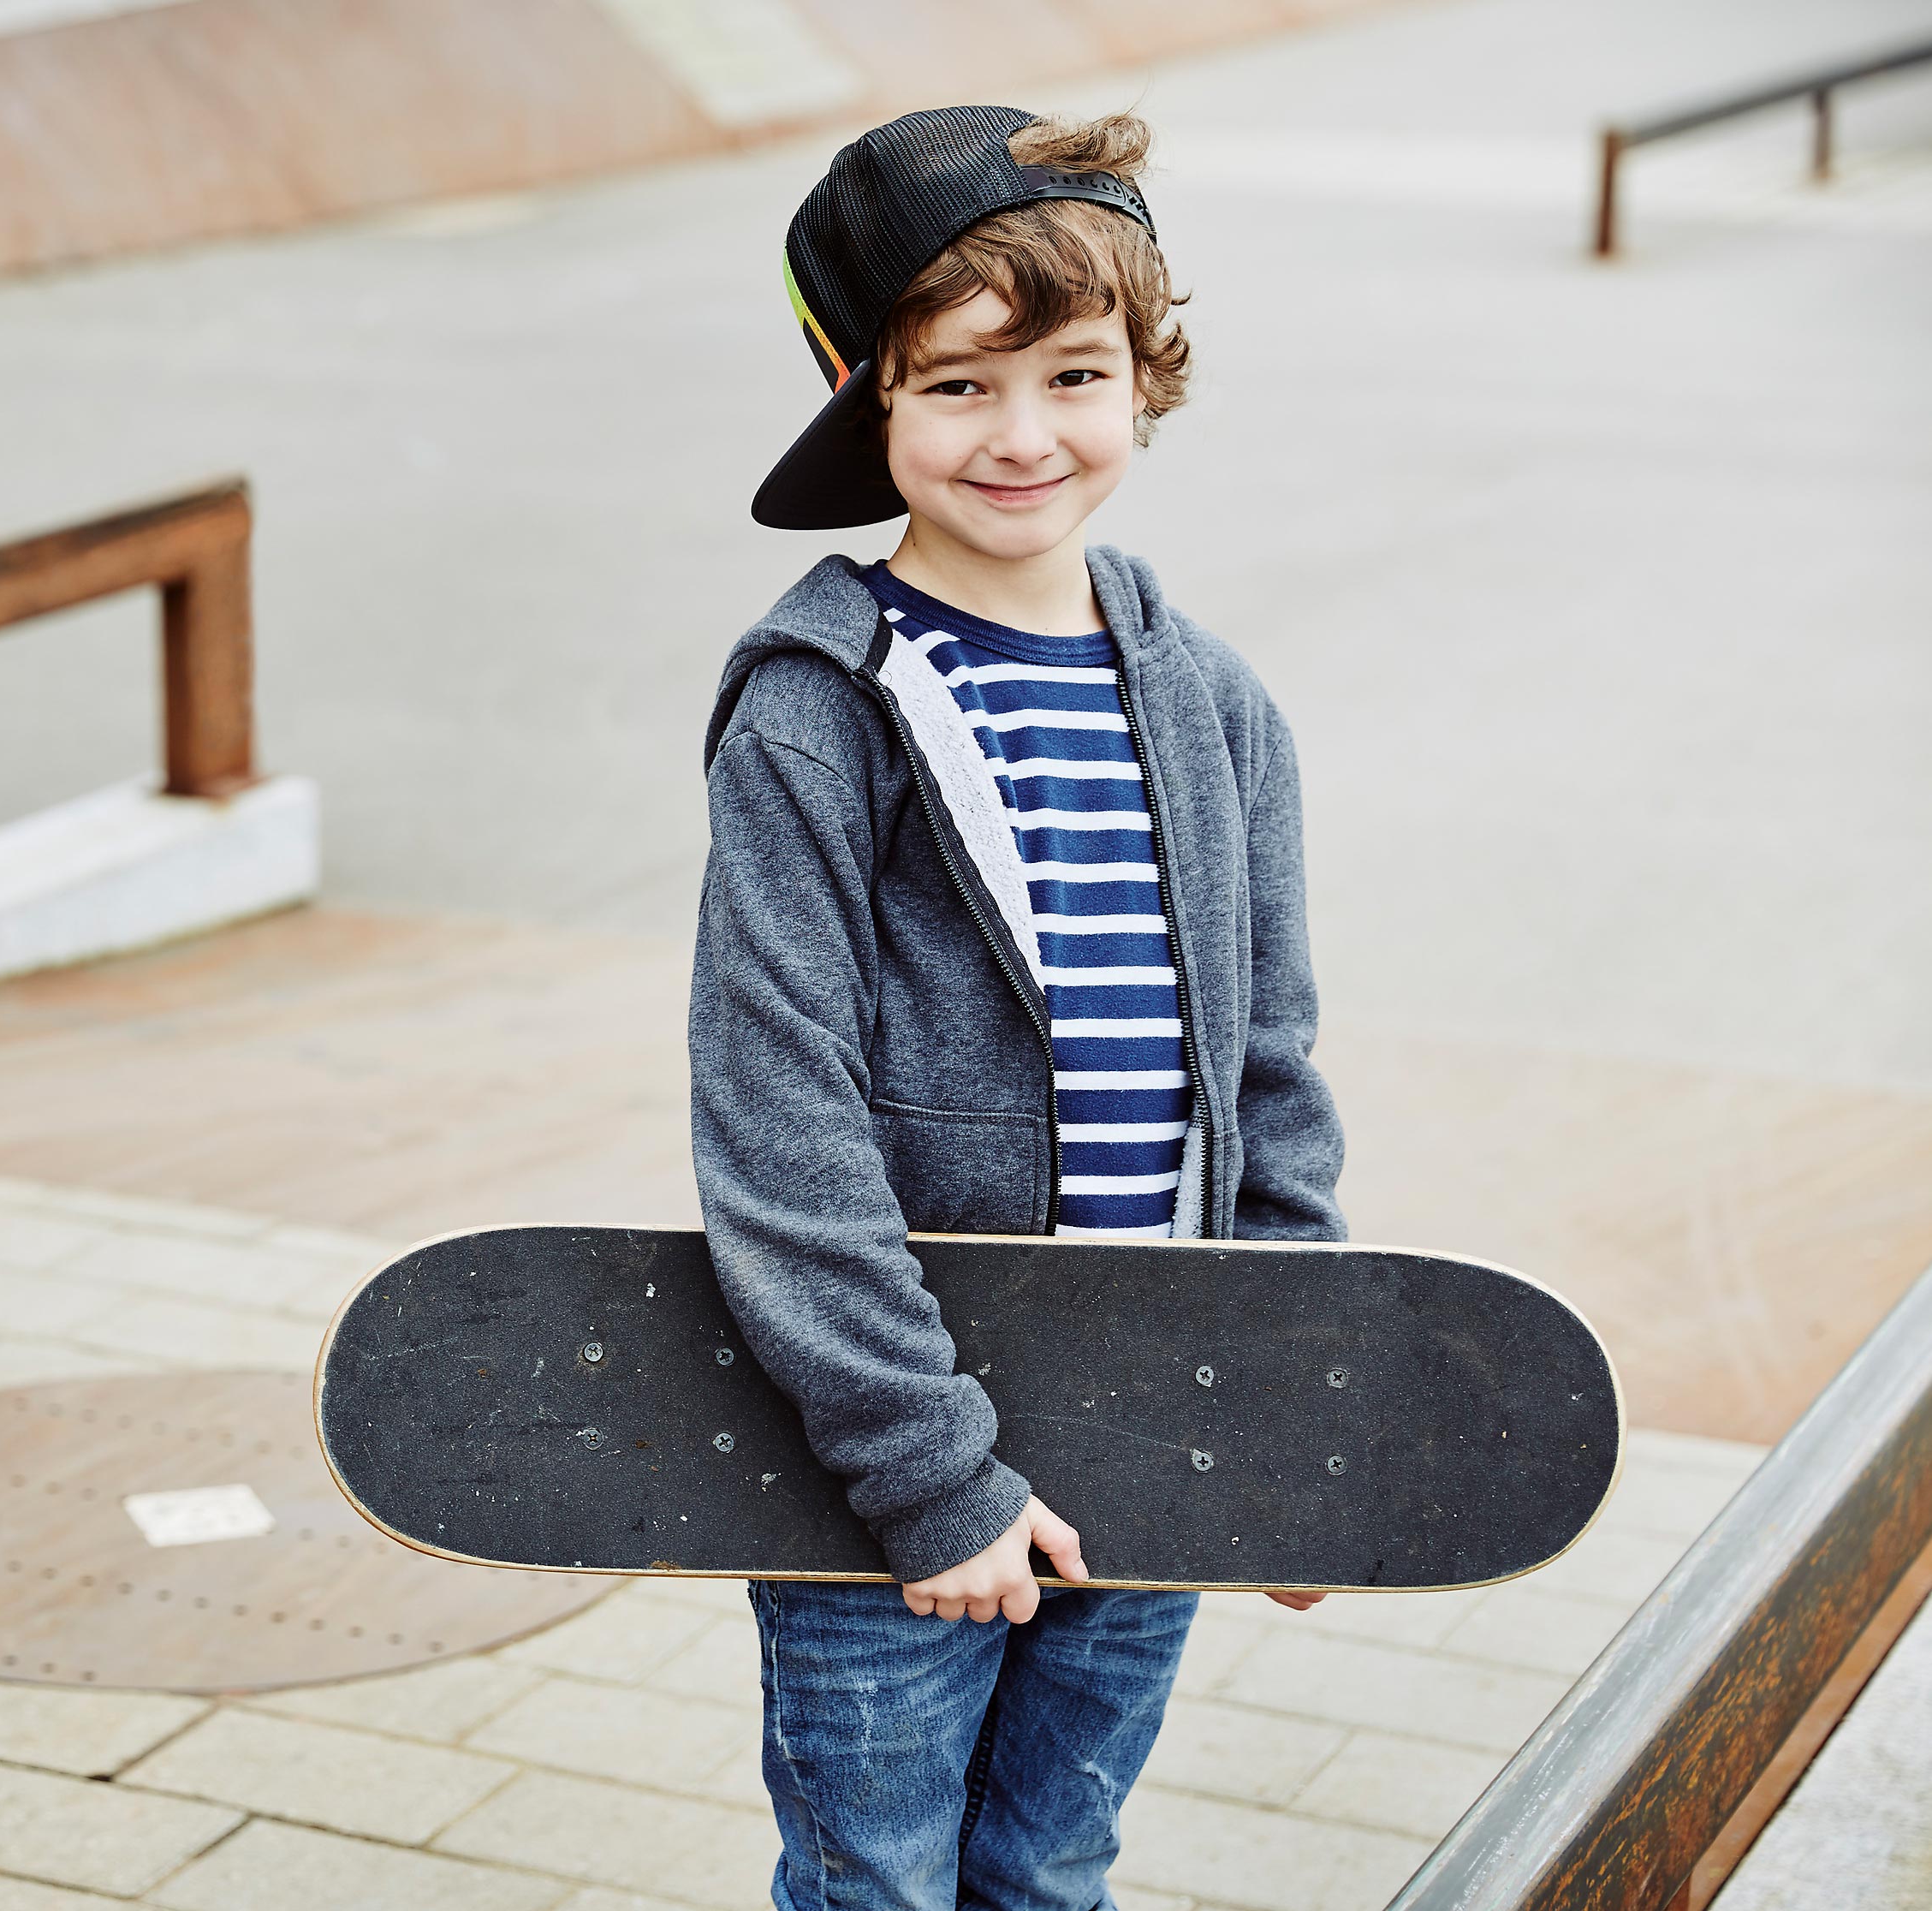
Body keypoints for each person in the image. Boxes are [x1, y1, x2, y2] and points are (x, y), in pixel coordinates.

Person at [688, 104, 1346, 1909]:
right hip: (888, 1472)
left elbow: (1270, 1090)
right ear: (871, 407)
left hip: (1149, 1437)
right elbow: (778, 1129)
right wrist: (930, 1475)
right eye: (960, 386)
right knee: (880, 1883)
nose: (1027, 435)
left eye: (1073, 373)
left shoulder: (1213, 707)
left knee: (1052, 1869)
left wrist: (1280, 1436)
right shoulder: (821, 710)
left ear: (1147, 379)